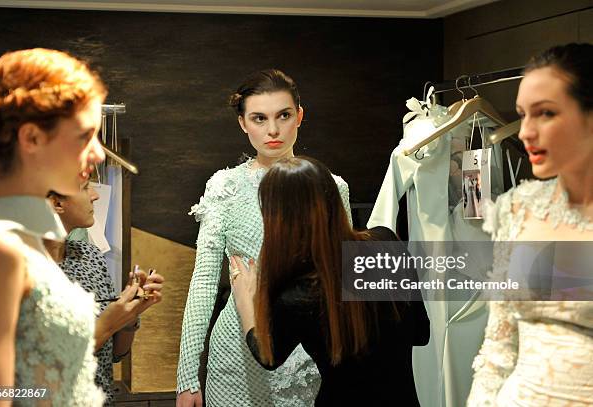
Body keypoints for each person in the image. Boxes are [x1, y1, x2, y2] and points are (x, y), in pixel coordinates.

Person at [176, 69, 352, 407]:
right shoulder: (224, 187)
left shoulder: (331, 186)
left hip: (308, 349)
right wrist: (186, 374)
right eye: (259, 118)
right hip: (236, 353)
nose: (273, 130)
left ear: (299, 116)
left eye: (283, 115)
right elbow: (203, 282)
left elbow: (342, 275)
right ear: (243, 123)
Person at [229, 156, 430, 406]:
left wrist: (245, 301)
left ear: (277, 220)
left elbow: (269, 356)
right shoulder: (386, 242)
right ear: (333, 200)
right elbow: (422, 333)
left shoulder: (298, 296)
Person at [467, 43, 593, 406]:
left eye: (546, 114)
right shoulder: (517, 208)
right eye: (522, 114)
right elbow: (497, 346)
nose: (525, 132)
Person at [0, 48, 107, 405]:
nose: (98, 154)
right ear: (32, 138)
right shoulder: (1, 250)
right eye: (85, 136)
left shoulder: (27, 238)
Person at [44, 180, 165, 406]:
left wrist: (131, 312)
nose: (95, 195)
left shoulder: (90, 255)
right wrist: (107, 324)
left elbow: (116, 354)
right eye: (84, 187)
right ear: (57, 202)